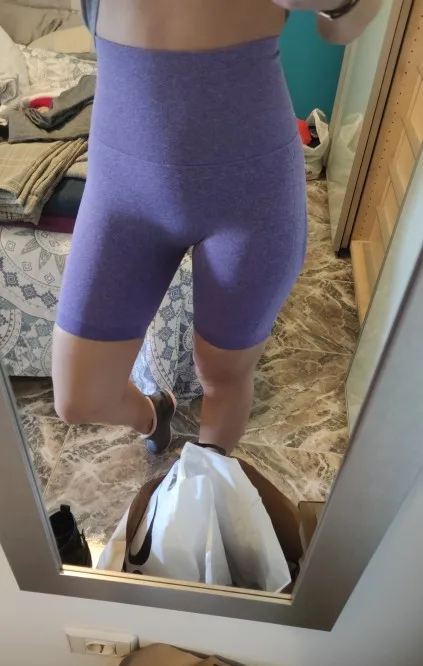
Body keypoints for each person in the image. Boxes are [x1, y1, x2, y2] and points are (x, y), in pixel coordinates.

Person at [53, 0, 381, 455]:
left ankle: (208, 474)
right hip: (124, 197)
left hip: (250, 198)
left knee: (223, 375)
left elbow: (343, 30)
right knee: (78, 397)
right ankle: (153, 417)